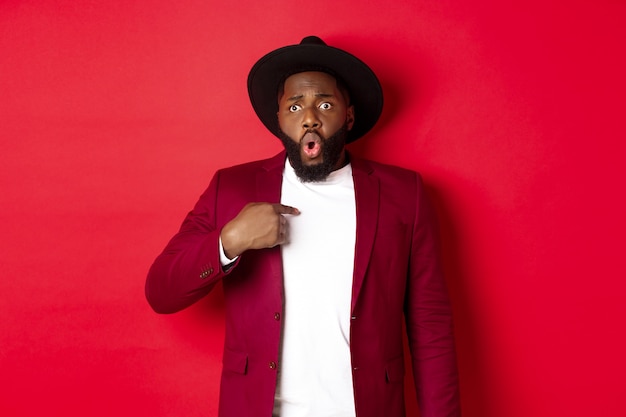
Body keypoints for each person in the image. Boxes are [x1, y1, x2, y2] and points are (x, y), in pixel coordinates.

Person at [146, 36, 460, 417]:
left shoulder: (403, 193)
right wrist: (230, 240)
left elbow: (430, 326)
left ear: (347, 115)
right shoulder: (231, 188)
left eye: (324, 104)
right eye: (295, 106)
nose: (309, 117)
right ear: (279, 119)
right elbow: (160, 292)